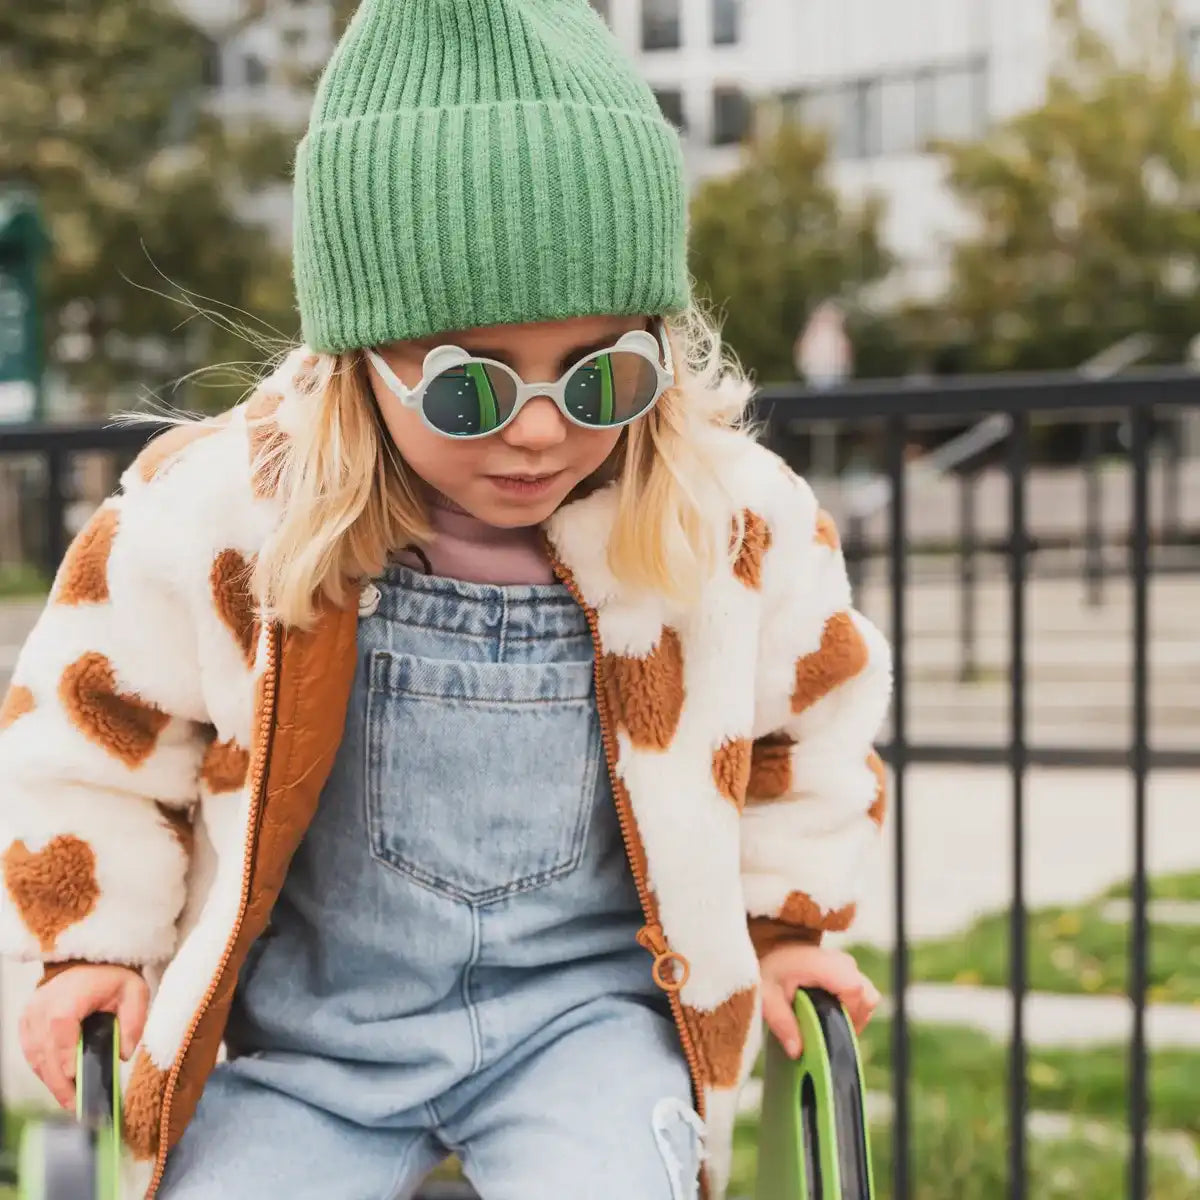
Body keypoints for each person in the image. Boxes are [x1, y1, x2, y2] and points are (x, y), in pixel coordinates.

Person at [1, 2, 890, 1197]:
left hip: (583, 1030)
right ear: (361, 362)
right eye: (471, 386)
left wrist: (785, 931)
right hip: (311, 1043)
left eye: (604, 374)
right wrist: (90, 949)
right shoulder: (227, 516)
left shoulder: (720, 523)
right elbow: (96, 723)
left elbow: (804, 732)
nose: (538, 430)